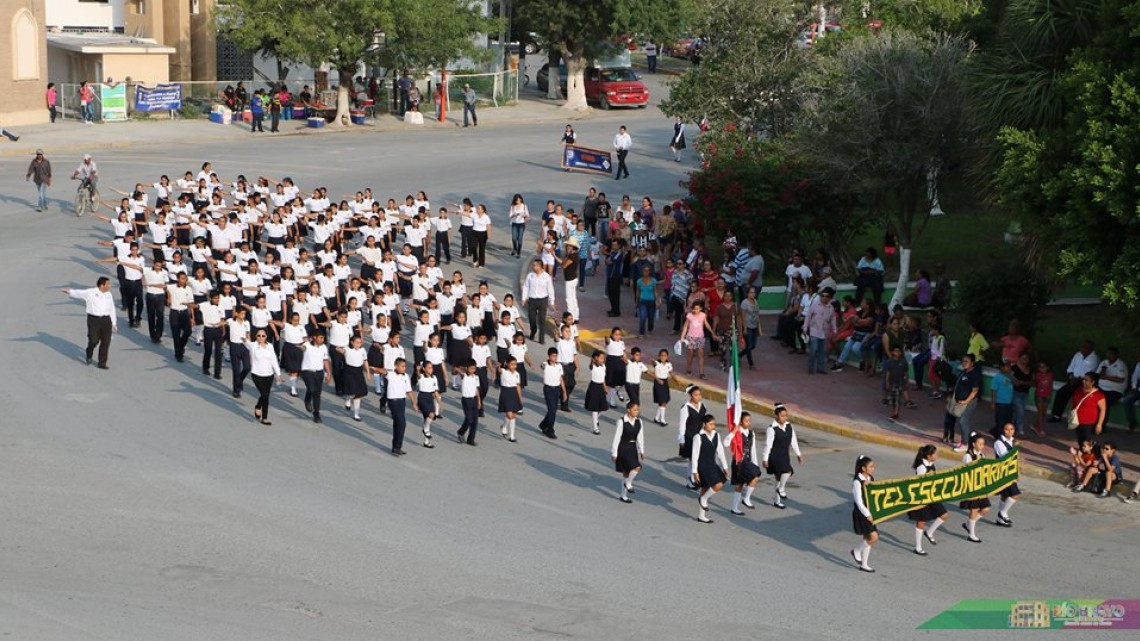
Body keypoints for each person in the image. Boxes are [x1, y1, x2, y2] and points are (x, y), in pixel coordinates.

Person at [63, 277, 117, 369]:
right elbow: (79, 293)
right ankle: (89, 352)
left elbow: (112, 309)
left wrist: (114, 323)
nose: (109, 286)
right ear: (102, 285)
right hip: (94, 320)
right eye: (108, 284)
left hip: (106, 320)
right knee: (93, 340)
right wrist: (70, 291)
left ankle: (102, 363)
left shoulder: (109, 294)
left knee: (106, 341)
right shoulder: (91, 292)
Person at [907, 445, 949, 556]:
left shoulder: (931, 465)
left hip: (932, 496)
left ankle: (929, 532)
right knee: (921, 521)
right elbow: (920, 484)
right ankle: (918, 547)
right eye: (935, 454)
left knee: (944, 515)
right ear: (929, 456)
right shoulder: (921, 467)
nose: (937, 455)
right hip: (922, 497)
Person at [763, 404, 803, 509]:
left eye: (786, 416)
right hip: (775, 455)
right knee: (788, 471)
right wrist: (765, 459)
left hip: (785, 454)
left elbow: (793, 440)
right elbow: (768, 444)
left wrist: (798, 453)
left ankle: (777, 500)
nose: (785, 418)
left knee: (778, 476)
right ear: (776, 416)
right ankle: (781, 489)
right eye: (782, 416)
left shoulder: (789, 426)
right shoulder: (772, 429)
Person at [691, 414, 729, 524]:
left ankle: (701, 515)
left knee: (706, 488)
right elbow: (695, 455)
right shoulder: (698, 437)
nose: (713, 426)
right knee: (717, 485)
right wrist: (695, 471)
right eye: (710, 424)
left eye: (714, 424)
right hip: (702, 465)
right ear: (705, 424)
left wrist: (725, 466)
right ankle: (703, 499)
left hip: (712, 464)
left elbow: (720, 451)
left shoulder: (716, 435)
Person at [1049, 340, 1100, 421]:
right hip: (1072, 380)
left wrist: (1078, 379)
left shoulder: (1094, 359)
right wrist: (1071, 376)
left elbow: (1090, 373)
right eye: (1082, 347)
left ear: (1091, 349)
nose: (1083, 349)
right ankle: (1056, 415)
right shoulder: (1077, 355)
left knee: (1073, 394)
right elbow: (1071, 367)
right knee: (1060, 392)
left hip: (1084, 383)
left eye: (1086, 347)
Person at [942, 353, 981, 451]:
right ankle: (966, 440)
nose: (964, 363)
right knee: (961, 420)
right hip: (959, 399)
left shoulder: (974, 374)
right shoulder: (964, 372)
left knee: (963, 421)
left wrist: (966, 401)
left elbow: (975, 390)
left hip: (969, 402)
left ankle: (965, 444)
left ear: (972, 363)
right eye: (963, 361)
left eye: (966, 361)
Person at [727, 412, 761, 515]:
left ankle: (744, 500)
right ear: (741, 421)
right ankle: (737, 506)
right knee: (740, 484)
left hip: (748, 461)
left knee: (755, 475)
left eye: (750, 421)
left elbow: (753, 449)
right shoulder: (737, 433)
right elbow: (725, 443)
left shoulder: (751, 433)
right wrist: (733, 432)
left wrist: (755, 463)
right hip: (739, 462)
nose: (749, 423)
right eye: (746, 421)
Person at [959, 432, 991, 543]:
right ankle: (971, 534)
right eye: (980, 444)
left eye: (983, 444)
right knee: (974, 509)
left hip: (980, 486)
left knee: (986, 509)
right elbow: (968, 470)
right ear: (974, 444)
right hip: (971, 486)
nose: (982, 446)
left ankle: (968, 524)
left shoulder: (982, 455)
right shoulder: (968, 456)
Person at [612, 401, 646, 503]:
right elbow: (617, 437)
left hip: (632, 448)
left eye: (638, 410)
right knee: (637, 467)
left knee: (627, 472)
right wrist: (614, 453)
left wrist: (642, 450)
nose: (637, 412)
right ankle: (629, 483)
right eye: (635, 410)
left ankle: (623, 495)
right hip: (623, 447)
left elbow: (640, 437)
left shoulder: (639, 422)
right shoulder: (621, 421)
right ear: (628, 410)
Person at [851, 455, 879, 573]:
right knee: (873, 537)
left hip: (869, 512)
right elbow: (859, 501)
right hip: (862, 513)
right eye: (871, 466)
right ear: (863, 468)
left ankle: (864, 564)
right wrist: (867, 514)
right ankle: (856, 551)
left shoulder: (870, 478)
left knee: (867, 538)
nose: (873, 468)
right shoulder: (857, 482)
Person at [247, 329, 281, 425]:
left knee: (265, 395)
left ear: (266, 337)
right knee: (265, 395)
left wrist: (277, 373)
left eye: (263, 336)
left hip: (269, 375)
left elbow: (274, 360)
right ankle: (261, 412)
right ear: (256, 336)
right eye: (259, 336)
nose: (261, 338)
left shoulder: (270, 346)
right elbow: (246, 343)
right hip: (257, 374)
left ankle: (262, 413)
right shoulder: (253, 345)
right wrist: (244, 339)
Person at [300, 331, 332, 424]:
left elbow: (325, 360)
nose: (322, 340)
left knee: (317, 393)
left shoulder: (324, 347)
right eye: (320, 338)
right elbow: (303, 348)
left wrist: (328, 373)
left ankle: (316, 414)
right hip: (307, 371)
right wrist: (300, 348)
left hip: (319, 372)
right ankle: (307, 399)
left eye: (323, 338)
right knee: (312, 389)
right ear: (314, 337)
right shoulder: (307, 345)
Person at [803, 287, 837, 375]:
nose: (825, 298)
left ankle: (820, 368)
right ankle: (811, 367)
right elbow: (808, 316)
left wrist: (834, 330)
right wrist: (805, 328)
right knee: (814, 350)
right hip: (814, 330)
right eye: (823, 296)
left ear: (829, 298)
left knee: (822, 351)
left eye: (827, 296)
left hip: (824, 332)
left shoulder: (830, 307)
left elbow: (833, 319)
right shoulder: (814, 305)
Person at [386, 357, 415, 455]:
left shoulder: (406, 376)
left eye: (405, 366)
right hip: (393, 401)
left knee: (398, 424)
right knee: (401, 423)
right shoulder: (391, 374)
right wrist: (374, 368)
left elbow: (409, 391)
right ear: (396, 366)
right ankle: (397, 446)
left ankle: (396, 447)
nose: (404, 368)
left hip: (402, 401)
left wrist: (414, 403)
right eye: (402, 366)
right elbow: (383, 371)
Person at [993, 423, 1020, 525]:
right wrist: (1014, 448)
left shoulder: (1013, 441)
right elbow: (1006, 458)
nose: (1009, 431)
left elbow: (1015, 459)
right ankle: (1003, 513)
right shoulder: (999, 443)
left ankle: (1000, 520)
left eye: (1012, 429)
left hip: (1011, 471)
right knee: (1015, 494)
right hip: (1004, 473)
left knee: (1005, 495)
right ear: (1003, 430)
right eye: (1007, 429)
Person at [1070, 372, 1107, 446]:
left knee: (1087, 443)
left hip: (1089, 423)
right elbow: (1074, 403)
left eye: (1086, 380)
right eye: (1084, 379)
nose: (1084, 381)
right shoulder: (1079, 390)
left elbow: (1103, 410)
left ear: (1093, 382)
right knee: (1080, 441)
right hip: (1077, 421)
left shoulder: (1098, 395)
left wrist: (1099, 424)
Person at [522, 259, 554, 343]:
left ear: (540, 266)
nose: (533, 267)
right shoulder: (530, 276)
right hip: (532, 300)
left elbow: (550, 289)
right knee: (531, 318)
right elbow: (526, 287)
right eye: (533, 265)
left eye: (535, 265)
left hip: (543, 300)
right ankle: (533, 330)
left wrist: (552, 302)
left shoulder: (546, 277)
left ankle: (541, 338)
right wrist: (524, 298)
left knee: (542, 319)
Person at [681, 301, 713, 379]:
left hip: (700, 337)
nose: (695, 310)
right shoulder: (689, 316)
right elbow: (685, 327)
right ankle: (688, 369)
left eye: (697, 309)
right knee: (690, 354)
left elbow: (706, 324)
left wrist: (712, 332)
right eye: (694, 309)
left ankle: (701, 373)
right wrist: (682, 337)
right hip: (690, 337)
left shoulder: (703, 315)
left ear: (701, 309)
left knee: (700, 355)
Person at [538, 347, 566, 438]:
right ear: (549, 356)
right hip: (548, 389)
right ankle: (550, 429)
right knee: (552, 410)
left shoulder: (559, 366)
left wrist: (564, 392)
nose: (554, 358)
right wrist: (544, 365)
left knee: (553, 410)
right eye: (553, 356)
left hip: (556, 389)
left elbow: (561, 379)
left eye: (556, 356)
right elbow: (542, 365)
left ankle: (543, 424)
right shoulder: (546, 364)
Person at [497, 357, 522, 443]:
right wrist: (498, 366)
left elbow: (518, 386)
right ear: (507, 364)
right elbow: (499, 370)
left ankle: (504, 426)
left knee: (513, 415)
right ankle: (512, 436)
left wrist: (520, 398)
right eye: (512, 364)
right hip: (505, 393)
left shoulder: (517, 374)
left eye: (515, 364)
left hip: (514, 394)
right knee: (509, 414)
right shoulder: (504, 372)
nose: (514, 366)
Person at [457, 359, 482, 445]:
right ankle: (461, 432)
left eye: (474, 368)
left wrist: (479, 401)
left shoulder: (476, 377)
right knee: (469, 419)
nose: (472, 370)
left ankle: (471, 439)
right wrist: (461, 369)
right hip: (466, 400)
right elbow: (458, 370)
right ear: (467, 368)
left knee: (475, 420)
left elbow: (476, 389)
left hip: (474, 399)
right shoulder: (464, 376)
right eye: (471, 368)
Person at [562, 235, 581, 320]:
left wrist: (564, 261)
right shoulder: (574, 255)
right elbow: (563, 263)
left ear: (573, 247)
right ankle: (576, 316)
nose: (568, 247)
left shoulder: (572, 256)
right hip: (573, 278)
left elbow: (564, 265)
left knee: (569, 299)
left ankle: (570, 318)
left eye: (569, 246)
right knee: (573, 298)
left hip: (570, 279)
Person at [1122, 354, 1140, 432]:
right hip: (1137, 389)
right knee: (1127, 400)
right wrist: (1133, 387)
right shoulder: (1138, 365)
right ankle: (1132, 422)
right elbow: (1135, 377)